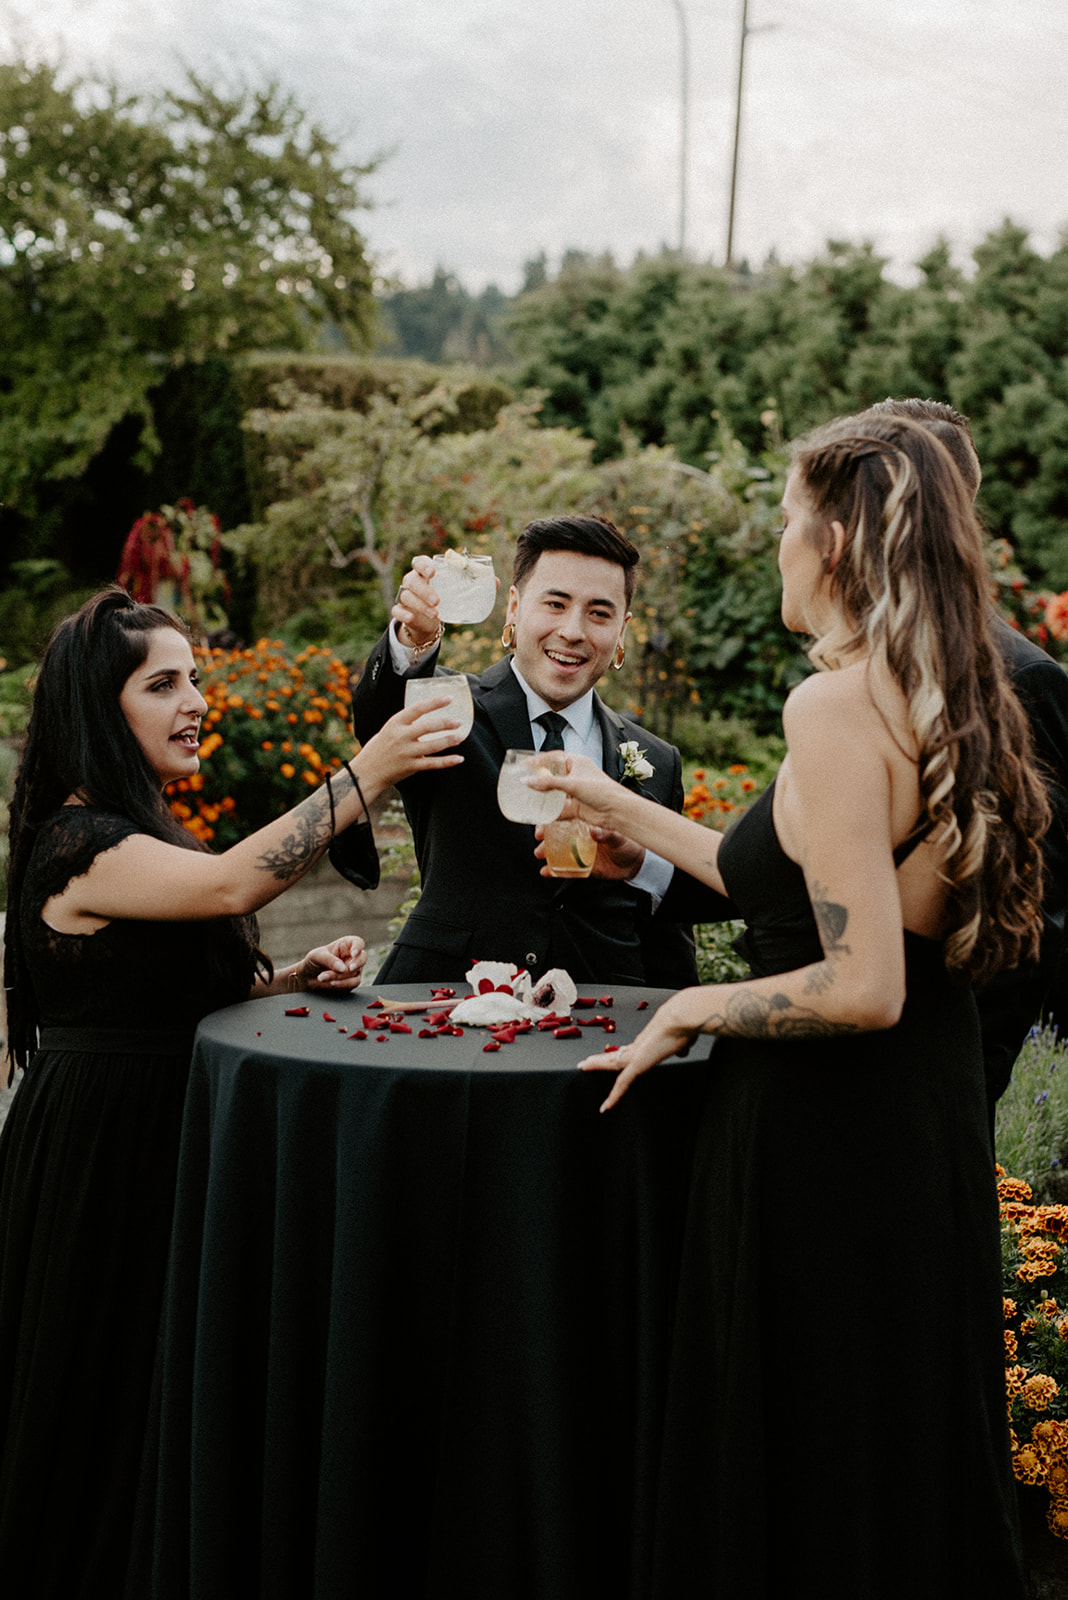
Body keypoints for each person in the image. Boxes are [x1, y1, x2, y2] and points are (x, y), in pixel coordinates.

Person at [528, 415, 1047, 1595]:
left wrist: (695, 1008)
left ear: (835, 542)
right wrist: (614, 803)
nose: (775, 549)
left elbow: (861, 984)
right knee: (890, 1449)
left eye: (780, 525)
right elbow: (805, 891)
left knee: (805, 1453)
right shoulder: (934, 687)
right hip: (920, 1120)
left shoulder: (831, 709)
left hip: (824, 1135)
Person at [0, 587, 463, 1599]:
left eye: (197, 677)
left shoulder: (136, 828)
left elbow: (147, 991)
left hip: (161, 1134)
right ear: (97, 706)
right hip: (102, 1160)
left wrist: (291, 980)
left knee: (158, 1402)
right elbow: (232, 886)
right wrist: (372, 766)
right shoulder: (80, 844)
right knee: (102, 1411)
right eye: (162, 683)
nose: (194, 700)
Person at [345, 514, 730, 989]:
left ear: (622, 631)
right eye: (555, 603)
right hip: (448, 1008)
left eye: (599, 613)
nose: (572, 630)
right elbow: (378, 717)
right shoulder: (446, 707)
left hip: (601, 1017)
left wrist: (679, 1025)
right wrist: (413, 640)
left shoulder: (656, 759)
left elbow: (666, 933)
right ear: (513, 608)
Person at [860, 397, 1068, 1129]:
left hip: (939, 1061)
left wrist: (967, 1076)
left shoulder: (1021, 677)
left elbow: (1037, 906)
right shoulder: (856, 657)